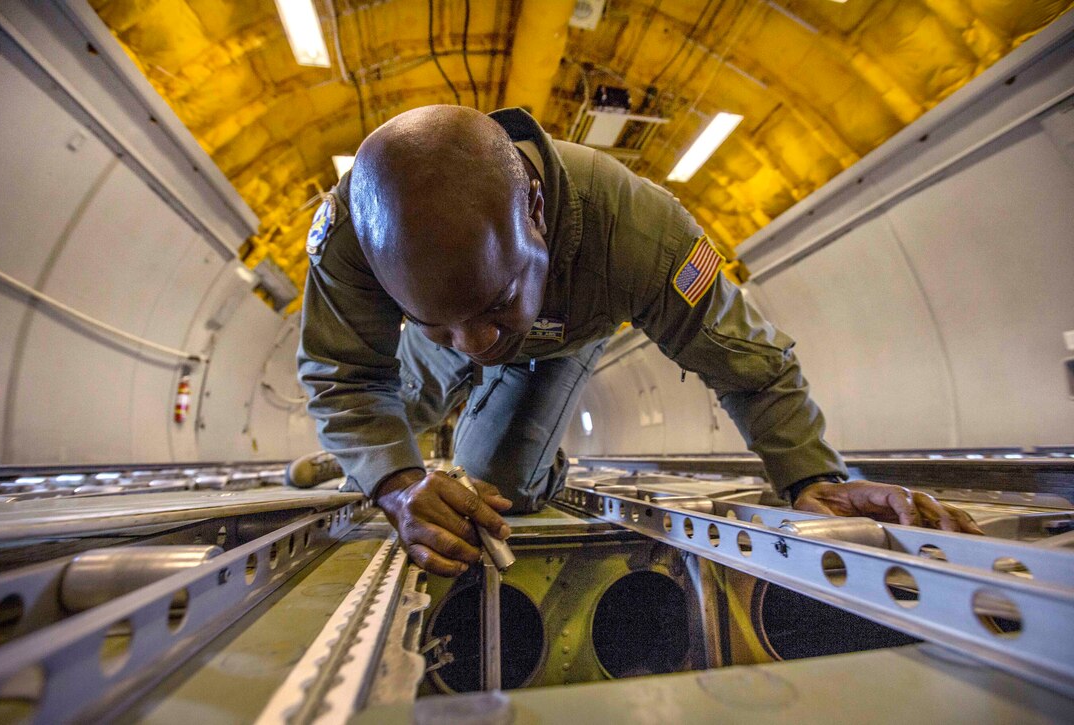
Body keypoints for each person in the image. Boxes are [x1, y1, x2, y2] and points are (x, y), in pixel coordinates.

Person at [298, 105, 982, 576]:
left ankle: (520, 450)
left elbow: (753, 366)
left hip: (559, 337)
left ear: (536, 215)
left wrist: (812, 476)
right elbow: (345, 372)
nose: (477, 344)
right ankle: (356, 458)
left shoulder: (638, 235)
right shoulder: (353, 236)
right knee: (397, 423)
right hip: (434, 340)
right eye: (439, 319)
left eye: (496, 303)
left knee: (497, 484)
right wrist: (394, 484)